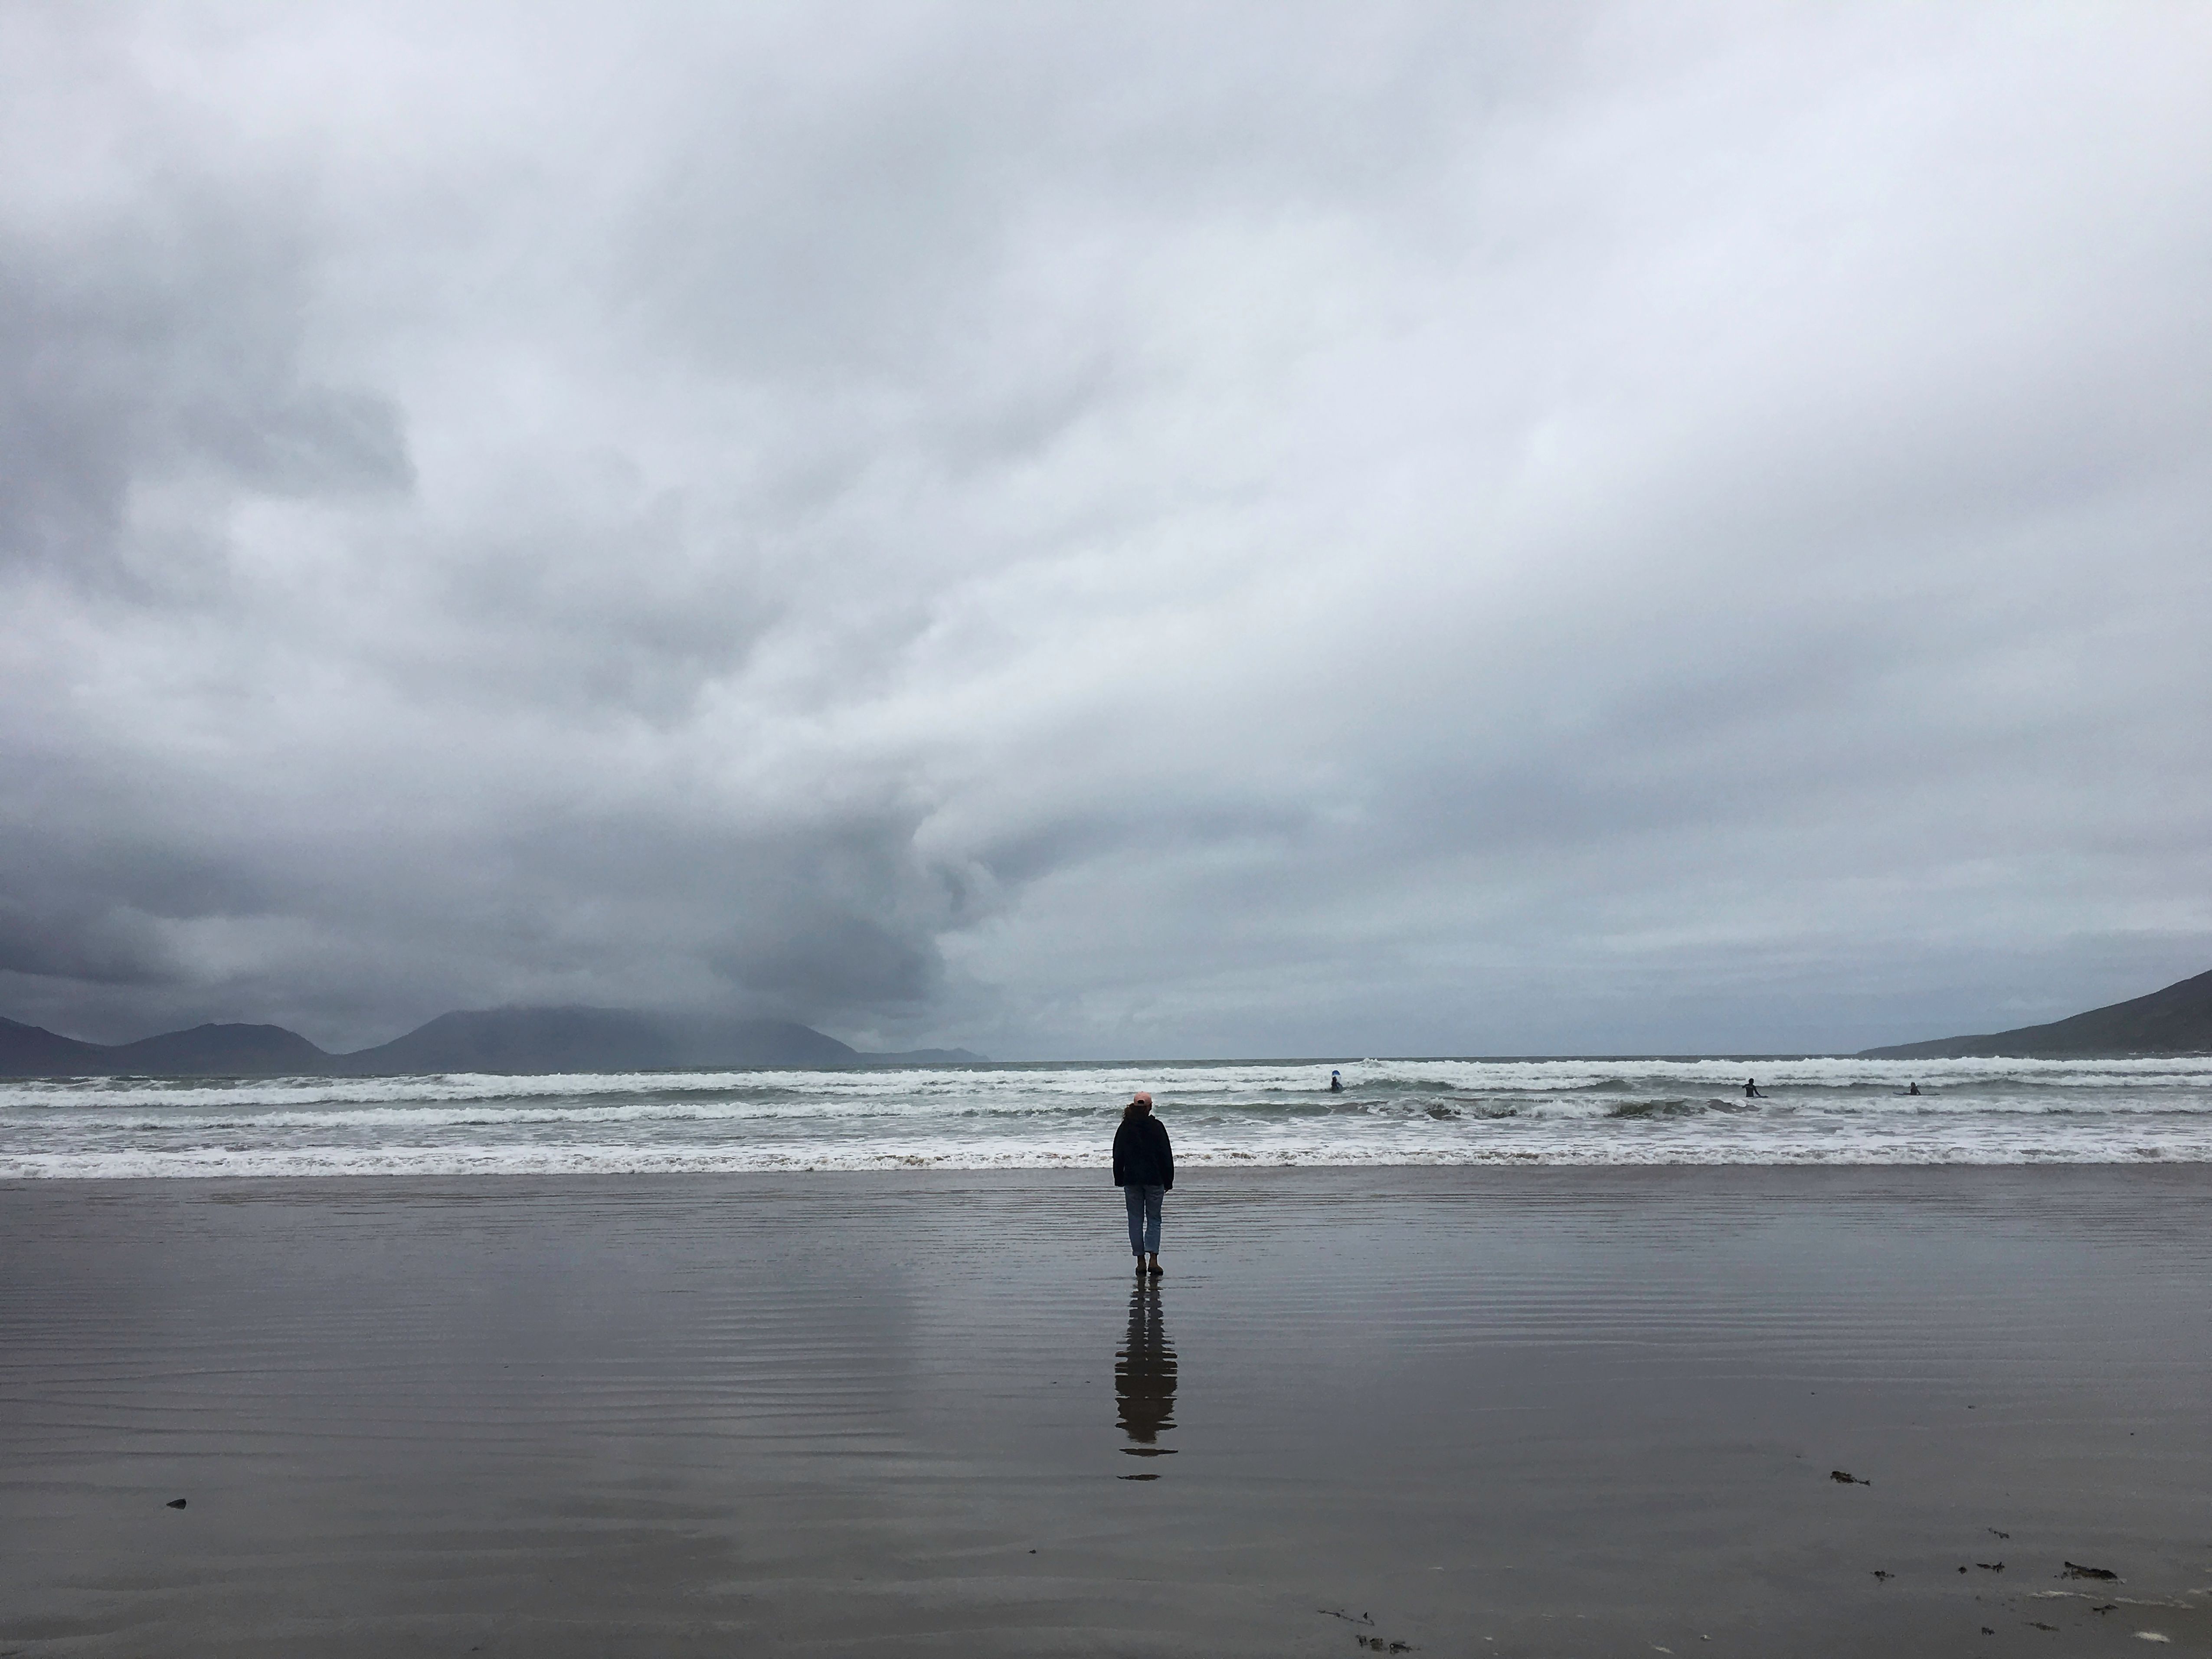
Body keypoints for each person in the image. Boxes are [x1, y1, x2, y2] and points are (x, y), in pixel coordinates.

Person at [1113, 1091, 1173, 1276]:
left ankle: (1140, 1262)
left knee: (1135, 1219)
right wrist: (1169, 1180)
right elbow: (1166, 1154)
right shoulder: (1157, 1127)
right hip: (1155, 1180)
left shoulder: (1125, 1127)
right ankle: (1154, 1260)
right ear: (1150, 1107)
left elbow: (1118, 1154)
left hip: (1132, 1180)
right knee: (1154, 1219)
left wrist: (1119, 1178)